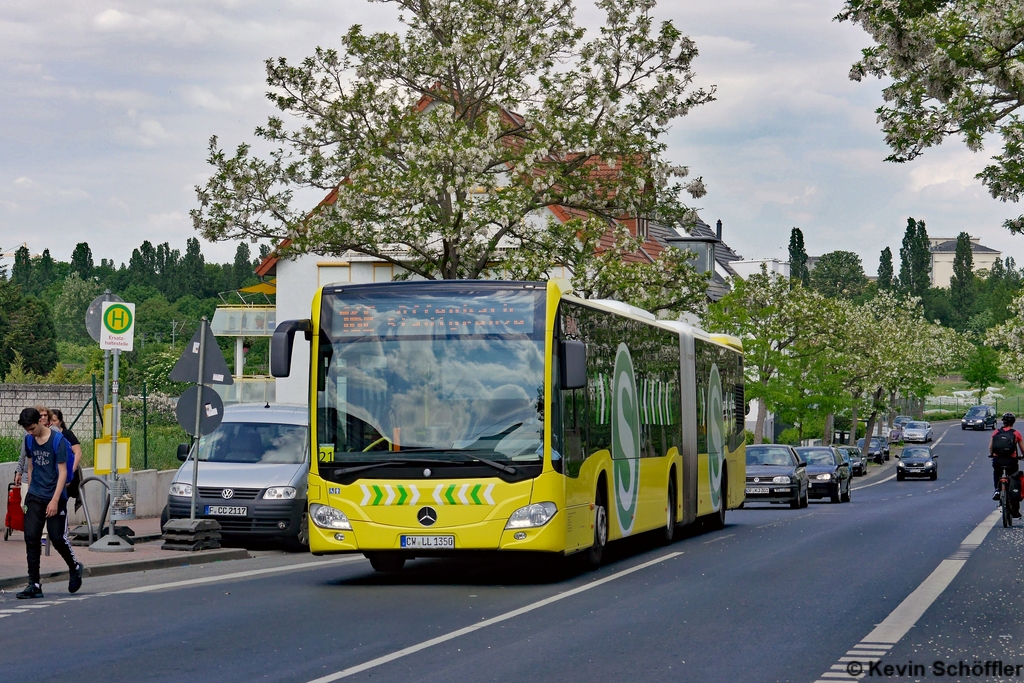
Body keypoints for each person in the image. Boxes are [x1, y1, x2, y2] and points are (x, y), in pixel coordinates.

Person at [15, 407, 83, 599]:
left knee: (57, 537)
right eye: (26, 429)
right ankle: (34, 583)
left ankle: (75, 567)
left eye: (32, 428)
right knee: (32, 537)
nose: (30, 432)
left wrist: (54, 500)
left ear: (42, 422)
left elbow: (63, 473)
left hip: (55, 496)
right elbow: (31, 465)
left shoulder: (58, 441)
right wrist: (29, 492)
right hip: (35, 495)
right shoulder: (29, 440)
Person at [990, 413, 1024, 511]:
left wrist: (992, 454)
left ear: (1003, 422)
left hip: (998, 460)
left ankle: (997, 490)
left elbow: (990, 447)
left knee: (997, 473)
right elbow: (1022, 449)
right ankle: (1013, 493)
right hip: (1011, 460)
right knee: (1014, 477)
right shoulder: (1016, 433)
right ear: (1013, 422)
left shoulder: (996, 432)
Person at [50, 408, 84, 508]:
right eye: (50, 420)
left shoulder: (67, 434)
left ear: (60, 421)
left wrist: (70, 471)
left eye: (55, 421)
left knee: (61, 501)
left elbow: (78, 453)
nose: (52, 423)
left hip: (66, 473)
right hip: (52, 474)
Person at [14, 404, 50, 488]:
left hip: (47, 482)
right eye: (41, 415)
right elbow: (23, 454)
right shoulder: (28, 437)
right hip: (28, 478)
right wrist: (18, 471)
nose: (43, 418)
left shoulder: (55, 436)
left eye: (45, 415)